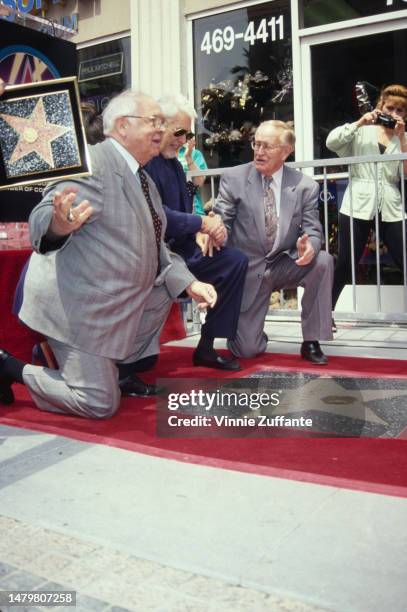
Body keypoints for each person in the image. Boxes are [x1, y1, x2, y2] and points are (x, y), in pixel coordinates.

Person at [0, 90, 217, 417]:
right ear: (122, 126)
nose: (162, 129)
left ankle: (116, 367)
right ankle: (9, 367)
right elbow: (42, 216)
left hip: (112, 304)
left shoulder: (143, 177)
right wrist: (60, 223)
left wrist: (190, 283)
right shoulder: (94, 162)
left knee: (163, 288)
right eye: (154, 121)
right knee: (99, 403)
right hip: (79, 310)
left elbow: (158, 247)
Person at [214, 119, 334, 365]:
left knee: (322, 261)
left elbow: (313, 229)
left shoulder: (305, 186)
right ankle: (253, 333)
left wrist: (310, 245)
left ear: (286, 151)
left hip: (282, 263)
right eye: (256, 144)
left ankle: (311, 340)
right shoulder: (234, 178)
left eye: (267, 146)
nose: (258, 152)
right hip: (247, 270)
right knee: (246, 350)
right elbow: (222, 221)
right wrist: (212, 231)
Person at [145, 94, 248, 371]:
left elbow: (185, 211)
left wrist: (203, 229)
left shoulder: (175, 166)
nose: (183, 140)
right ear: (158, 126)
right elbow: (156, 216)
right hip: (153, 255)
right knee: (144, 364)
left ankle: (206, 346)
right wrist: (200, 224)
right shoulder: (144, 163)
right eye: (178, 132)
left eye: (188, 133)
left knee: (234, 261)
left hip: (181, 249)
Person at [326, 83, 407, 316]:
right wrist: (360, 122)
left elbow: (405, 172)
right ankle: (324, 315)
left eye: (400, 110)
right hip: (357, 203)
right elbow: (332, 142)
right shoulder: (363, 130)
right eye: (390, 107)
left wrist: (401, 139)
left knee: (404, 259)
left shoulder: (404, 138)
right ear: (381, 106)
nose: (394, 113)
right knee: (346, 263)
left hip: (390, 203)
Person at [177, 133, 207, 215]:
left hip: (193, 209)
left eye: (188, 136)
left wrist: (188, 157)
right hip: (170, 209)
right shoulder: (161, 154)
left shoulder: (195, 153)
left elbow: (199, 182)